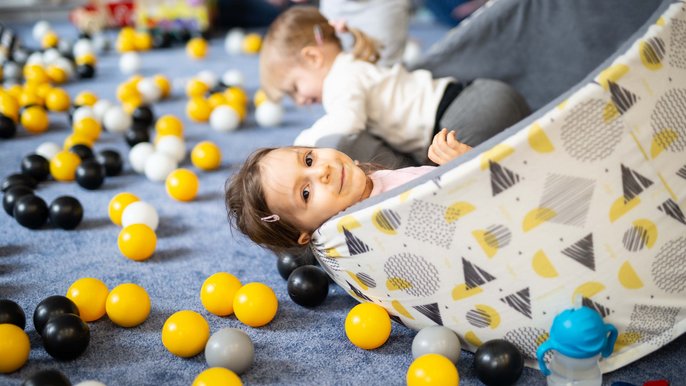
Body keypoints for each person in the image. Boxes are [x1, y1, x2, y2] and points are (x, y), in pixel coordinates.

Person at [259, 6, 529, 166]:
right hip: (482, 96)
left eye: (295, 88)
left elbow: (346, 123)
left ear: (313, 57)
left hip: (463, 117)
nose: (300, 101)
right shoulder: (353, 63)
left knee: (440, 184)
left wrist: (302, 143)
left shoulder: (339, 80)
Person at [225, 129, 470, 254]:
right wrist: (468, 165)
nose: (322, 172)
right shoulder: (380, 223)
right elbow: (465, 224)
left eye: (309, 160)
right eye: (306, 193)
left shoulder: (372, 187)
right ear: (305, 234)